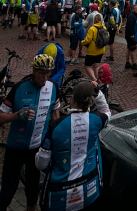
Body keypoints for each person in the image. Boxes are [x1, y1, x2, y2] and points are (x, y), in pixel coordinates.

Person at [0, 54, 59, 211]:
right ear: (34, 70)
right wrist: (16, 115)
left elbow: (56, 115)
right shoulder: (19, 87)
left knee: (32, 191)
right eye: (41, 73)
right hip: (15, 148)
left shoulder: (53, 87)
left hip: (36, 149)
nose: (45, 76)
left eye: (48, 73)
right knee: (7, 192)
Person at [35, 81, 107, 211]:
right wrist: (98, 93)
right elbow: (106, 112)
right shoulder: (96, 121)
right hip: (89, 190)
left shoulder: (56, 126)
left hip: (60, 193)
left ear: (72, 99)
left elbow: (41, 164)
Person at [80, 13, 107, 82]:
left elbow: (88, 40)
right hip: (101, 50)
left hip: (92, 50)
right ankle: (97, 79)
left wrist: (82, 42)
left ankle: (94, 79)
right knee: (97, 66)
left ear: (94, 20)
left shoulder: (92, 29)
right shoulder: (104, 27)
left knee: (88, 66)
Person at [124, 4, 137, 70]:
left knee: (129, 48)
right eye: (136, 9)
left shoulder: (131, 15)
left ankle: (127, 62)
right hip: (130, 35)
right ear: (133, 8)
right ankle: (133, 63)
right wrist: (132, 34)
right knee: (133, 49)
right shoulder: (131, 16)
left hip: (128, 34)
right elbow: (129, 26)